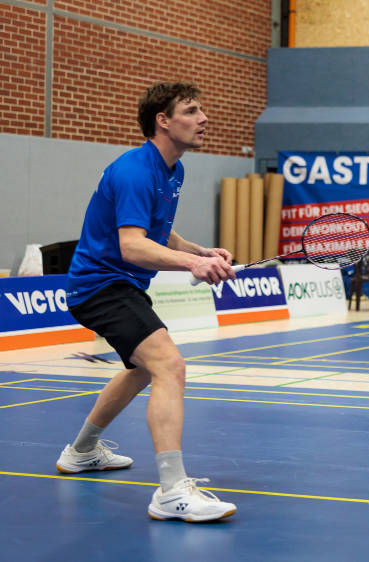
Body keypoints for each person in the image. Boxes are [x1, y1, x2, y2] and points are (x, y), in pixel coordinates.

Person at [57, 82, 239, 521]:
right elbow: (132, 246)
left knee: (142, 368)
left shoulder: (172, 170)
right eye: (191, 110)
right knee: (169, 366)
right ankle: (172, 492)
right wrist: (193, 265)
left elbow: (157, 229)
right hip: (100, 286)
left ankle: (81, 451)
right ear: (163, 120)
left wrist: (199, 251)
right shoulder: (135, 170)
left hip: (121, 286)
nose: (203, 118)